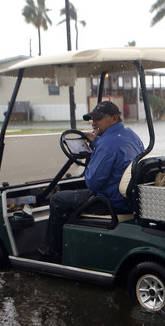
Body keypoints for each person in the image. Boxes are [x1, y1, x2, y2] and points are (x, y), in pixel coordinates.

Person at [40, 101, 145, 259]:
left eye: (99, 119)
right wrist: (96, 142)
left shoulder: (106, 145)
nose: (94, 123)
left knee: (57, 200)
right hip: (130, 200)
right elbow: (115, 152)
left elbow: (92, 182)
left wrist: (92, 156)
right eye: (92, 119)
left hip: (110, 202)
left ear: (114, 118)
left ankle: (52, 252)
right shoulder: (130, 135)